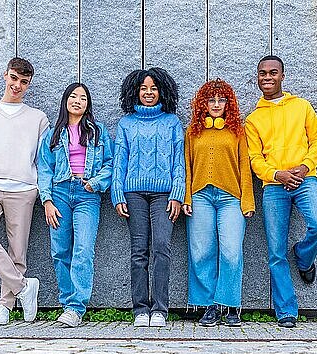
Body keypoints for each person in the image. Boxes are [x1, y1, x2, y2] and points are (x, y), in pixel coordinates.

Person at [245, 55, 317, 328]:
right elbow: (255, 158)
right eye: (262, 73)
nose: (267, 77)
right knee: (275, 251)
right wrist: (276, 174)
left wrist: (304, 168)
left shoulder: (302, 107)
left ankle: (304, 257)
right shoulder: (253, 119)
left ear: (282, 76)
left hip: (305, 180)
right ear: (257, 78)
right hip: (273, 186)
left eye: (273, 73)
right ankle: (286, 310)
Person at [0, 57, 49, 325]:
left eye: (23, 82)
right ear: (5, 76)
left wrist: (35, 187)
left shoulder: (38, 118)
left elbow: (41, 158)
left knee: (18, 251)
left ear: (29, 85)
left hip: (22, 190)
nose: (17, 85)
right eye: (14, 78)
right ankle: (24, 287)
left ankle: (4, 305)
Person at [111, 67, 185, 328]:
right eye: (144, 88)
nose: (149, 93)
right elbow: (119, 161)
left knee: (162, 249)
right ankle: (140, 308)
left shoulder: (172, 122)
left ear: (162, 91)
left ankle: (160, 310)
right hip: (133, 193)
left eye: (153, 88)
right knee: (139, 252)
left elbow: (179, 162)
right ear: (135, 91)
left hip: (164, 194)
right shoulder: (126, 123)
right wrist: (117, 193)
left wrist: (178, 193)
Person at [37, 83, 113, 328]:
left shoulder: (98, 132)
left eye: (83, 98)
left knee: (83, 249)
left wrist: (95, 183)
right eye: (73, 96)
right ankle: (67, 302)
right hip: (59, 193)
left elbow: (110, 164)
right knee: (60, 250)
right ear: (65, 101)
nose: (78, 101)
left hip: (87, 195)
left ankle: (76, 307)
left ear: (88, 104)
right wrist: (47, 200)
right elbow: (44, 169)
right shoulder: (52, 134)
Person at [183, 79, 255, 327]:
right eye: (211, 100)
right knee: (202, 251)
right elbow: (187, 167)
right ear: (203, 103)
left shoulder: (237, 131)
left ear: (228, 104)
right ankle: (209, 306)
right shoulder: (193, 131)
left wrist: (247, 201)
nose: (216, 104)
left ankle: (231, 304)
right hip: (200, 195)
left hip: (230, 198)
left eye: (221, 100)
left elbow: (245, 167)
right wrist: (186, 197)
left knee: (231, 250)